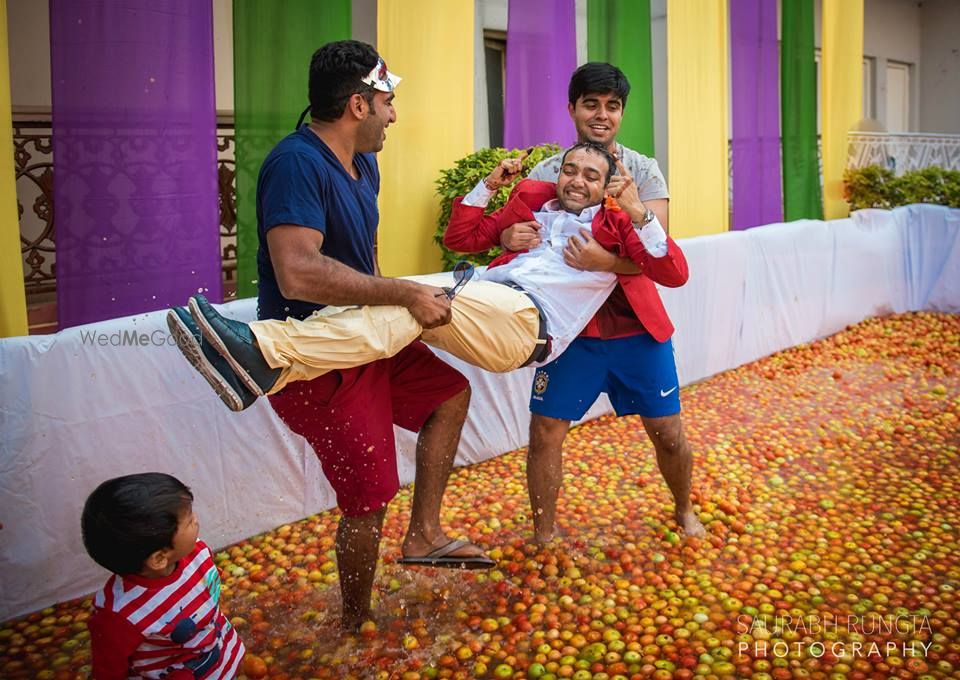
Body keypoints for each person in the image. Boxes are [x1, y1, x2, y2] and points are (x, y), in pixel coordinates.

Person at [171, 40, 493, 632]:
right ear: (358, 105)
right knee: (369, 499)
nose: (395, 114)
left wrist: (396, 314)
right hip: (317, 358)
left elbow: (359, 261)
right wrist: (403, 294)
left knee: (450, 395)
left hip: (368, 338)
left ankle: (423, 535)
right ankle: (354, 624)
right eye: (388, 101)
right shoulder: (296, 163)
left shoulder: (365, 163)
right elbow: (298, 270)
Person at [169, 143, 686, 406]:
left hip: (528, 324)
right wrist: (489, 187)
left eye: (590, 176)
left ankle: (266, 351)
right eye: (569, 170)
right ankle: (269, 363)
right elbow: (461, 238)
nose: (575, 180)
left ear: (607, 186)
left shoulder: (616, 225)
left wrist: (637, 214)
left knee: (411, 299)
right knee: (405, 308)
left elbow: (674, 271)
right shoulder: (535, 207)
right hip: (483, 299)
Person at [501, 62, 705, 541]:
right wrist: (509, 236)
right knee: (546, 433)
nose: (601, 114)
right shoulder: (548, 172)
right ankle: (544, 534)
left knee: (669, 434)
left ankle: (683, 508)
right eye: (590, 103)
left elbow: (657, 255)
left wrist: (604, 262)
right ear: (571, 108)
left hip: (636, 326)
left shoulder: (644, 172)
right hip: (569, 329)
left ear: (621, 113)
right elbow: (528, 246)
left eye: (612, 106)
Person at [81, 473, 245, 679]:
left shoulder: (197, 553)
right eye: (189, 520)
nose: (197, 521)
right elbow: (108, 671)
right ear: (159, 558)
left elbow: (205, 585)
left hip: (222, 654)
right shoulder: (120, 615)